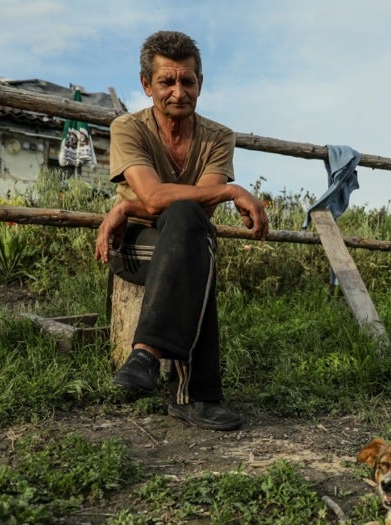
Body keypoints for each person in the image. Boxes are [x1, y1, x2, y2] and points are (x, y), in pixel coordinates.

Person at [94, 30, 269, 431]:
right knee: (196, 248)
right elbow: (156, 197)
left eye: (187, 81)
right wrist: (230, 189)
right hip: (133, 244)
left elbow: (197, 204)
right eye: (166, 82)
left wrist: (127, 205)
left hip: (186, 236)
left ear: (200, 84)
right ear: (146, 85)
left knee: (191, 227)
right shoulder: (128, 128)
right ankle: (198, 396)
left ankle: (145, 356)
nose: (178, 92)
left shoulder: (218, 137)